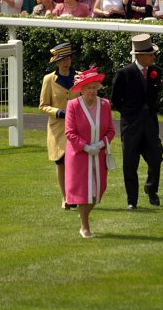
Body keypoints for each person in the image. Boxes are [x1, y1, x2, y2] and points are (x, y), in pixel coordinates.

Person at [111, 34, 163, 209]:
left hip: (150, 123)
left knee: (156, 158)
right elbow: (116, 100)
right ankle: (132, 201)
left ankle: (151, 188)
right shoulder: (124, 73)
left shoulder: (156, 72)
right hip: (131, 124)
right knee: (130, 164)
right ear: (139, 56)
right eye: (150, 54)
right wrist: (129, 115)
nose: (153, 57)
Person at [65, 65, 115, 238]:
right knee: (83, 193)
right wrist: (86, 146)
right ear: (81, 90)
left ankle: (84, 214)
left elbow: (111, 131)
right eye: (89, 88)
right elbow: (69, 132)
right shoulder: (73, 106)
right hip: (79, 156)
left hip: (99, 155)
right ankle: (84, 226)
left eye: (95, 87)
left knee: (98, 191)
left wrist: (100, 145)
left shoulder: (105, 104)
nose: (92, 91)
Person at [39, 42, 79, 210]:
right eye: (62, 59)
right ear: (56, 62)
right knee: (61, 162)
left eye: (68, 58)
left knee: (76, 162)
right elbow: (43, 105)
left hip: (77, 128)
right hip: (58, 129)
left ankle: (75, 194)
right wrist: (58, 112)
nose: (65, 62)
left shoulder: (79, 77)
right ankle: (65, 197)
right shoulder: (49, 79)